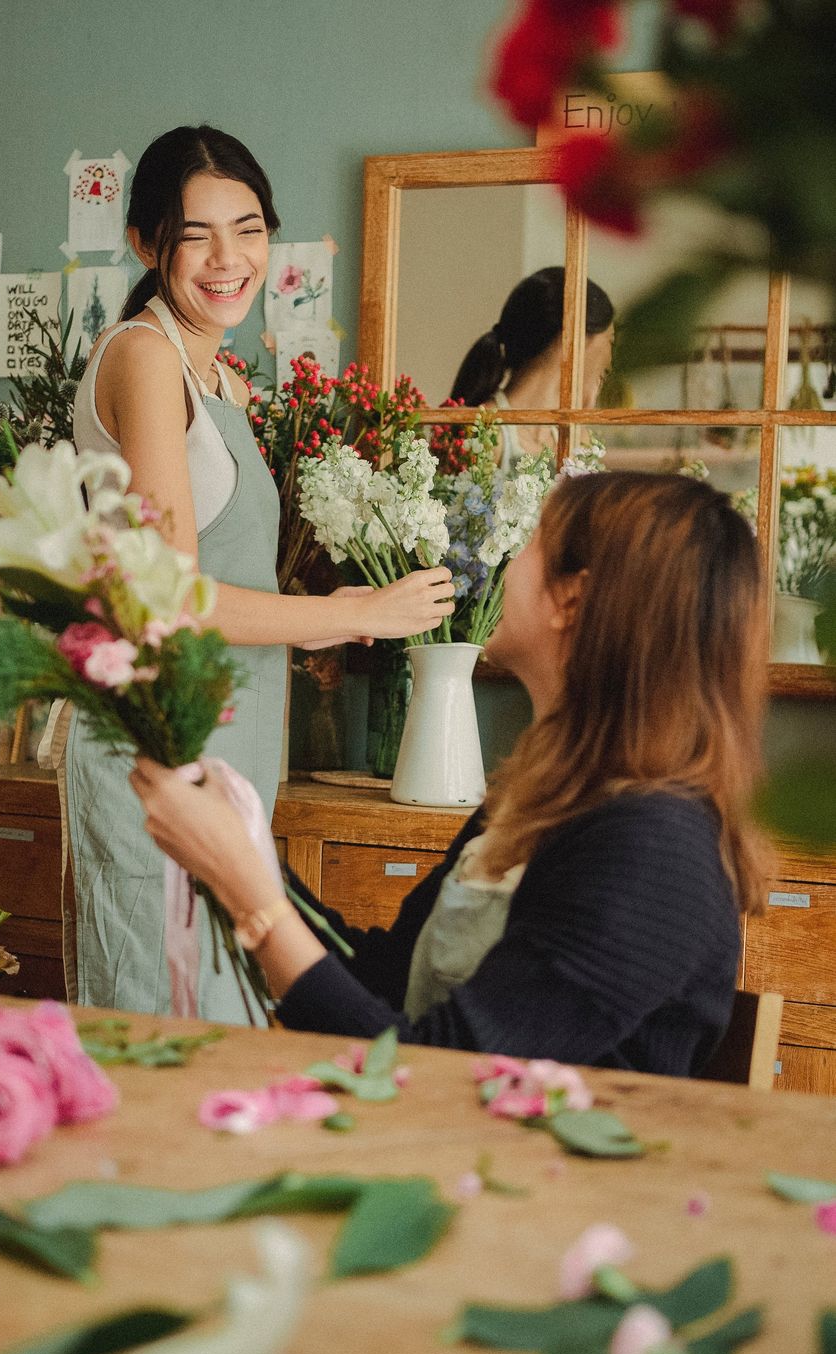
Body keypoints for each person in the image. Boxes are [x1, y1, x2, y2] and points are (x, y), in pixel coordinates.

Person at [131, 470, 770, 1077]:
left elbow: (440, 1071)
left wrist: (254, 899)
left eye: (527, 546)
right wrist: (231, 853)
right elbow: (387, 979)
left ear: (571, 601)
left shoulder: (653, 851)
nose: (502, 564)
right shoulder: (543, 797)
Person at [63, 124, 454, 1021]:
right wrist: (357, 613)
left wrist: (342, 607)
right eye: (196, 234)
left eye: (248, 228)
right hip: (156, 743)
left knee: (226, 1016)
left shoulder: (224, 380)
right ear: (146, 244)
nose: (228, 258)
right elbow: (166, 594)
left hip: (229, 737)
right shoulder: (145, 358)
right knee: (162, 1025)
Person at [449, 266, 615, 471]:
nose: (610, 353)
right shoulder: (486, 434)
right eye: (609, 339)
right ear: (570, 340)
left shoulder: (577, 438)